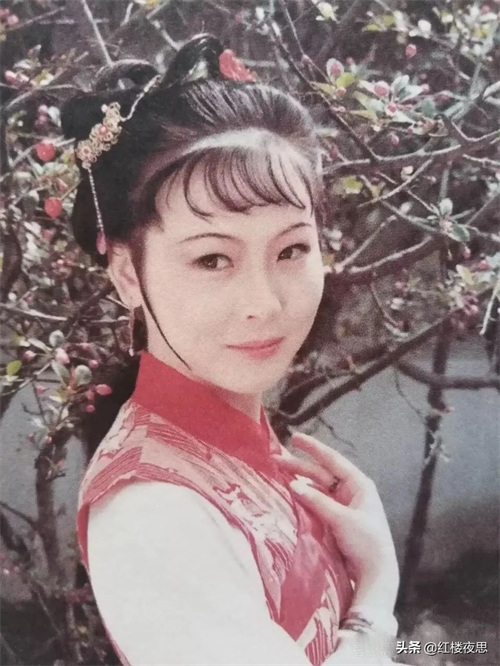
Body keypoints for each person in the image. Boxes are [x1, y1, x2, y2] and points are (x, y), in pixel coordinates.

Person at [63, 33, 401, 666]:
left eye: (292, 249)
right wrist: (377, 594)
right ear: (129, 274)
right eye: (212, 259)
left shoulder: (235, 438)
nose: (264, 303)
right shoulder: (152, 515)